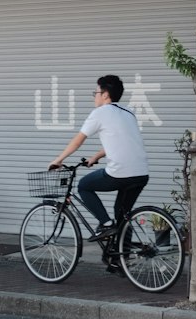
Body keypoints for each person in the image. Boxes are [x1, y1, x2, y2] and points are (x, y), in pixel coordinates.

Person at [48, 74, 150, 271]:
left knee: (84, 185)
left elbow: (78, 141)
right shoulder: (128, 112)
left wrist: (58, 160)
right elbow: (122, 141)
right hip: (141, 173)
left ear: (105, 95)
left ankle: (104, 224)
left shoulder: (100, 113)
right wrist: (96, 156)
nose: (94, 96)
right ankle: (120, 259)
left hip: (120, 172)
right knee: (123, 215)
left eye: (95, 92)